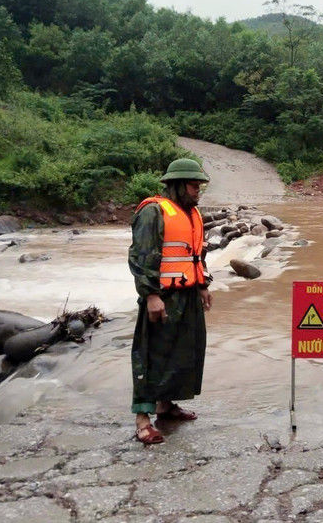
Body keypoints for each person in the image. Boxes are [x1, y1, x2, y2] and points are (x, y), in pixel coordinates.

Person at [128, 158, 213, 444]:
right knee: (152, 355)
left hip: (187, 295)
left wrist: (202, 285)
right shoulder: (153, 212)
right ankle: (143, 420)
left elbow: (195, 255)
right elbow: (141, 257)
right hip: (162, 295)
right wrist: (151, 295)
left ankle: (166, 406)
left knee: (184, 352)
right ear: (177, 185)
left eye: (199, 187)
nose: (197, 191)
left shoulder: (192, 213)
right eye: (193, 186)